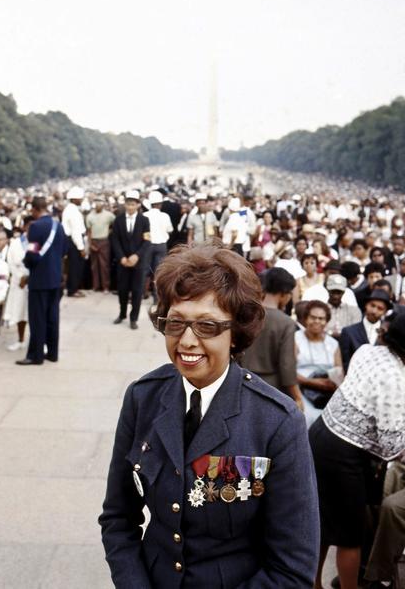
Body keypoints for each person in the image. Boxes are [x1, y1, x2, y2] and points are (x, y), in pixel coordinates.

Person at [99, 243, 320, 588]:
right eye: (176, 323)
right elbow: (117, 518)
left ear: (236, 334)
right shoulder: (144, 398)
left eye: (207, 326)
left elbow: (292, 567)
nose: (187, 340)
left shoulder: (276, 421)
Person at [309, 312, 405, 589]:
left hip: (321, 435)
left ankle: (312, 585)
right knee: (351, 535)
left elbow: (366, 397)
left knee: (322, 526)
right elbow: (389, 446)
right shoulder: (396, 381)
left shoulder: (367, 351)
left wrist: (402, 415)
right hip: (344, 455)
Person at [363, 356, 405, 586]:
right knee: (370, 501)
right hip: (403, 467)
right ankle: (363, 565)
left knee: (393, 507)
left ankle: (379, 578)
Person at [240, 267, 303, 408]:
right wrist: (297, 397)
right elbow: (287, 365)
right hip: (271, 386)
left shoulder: (245, 315)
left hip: (241, 380)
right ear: (284, 294)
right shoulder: (285, 322)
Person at [16, 196, 66, 365]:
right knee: (53, 317)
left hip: (39, 279)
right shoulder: (58, 225)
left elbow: (32, 253)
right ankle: (52, 353)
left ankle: (35, 355)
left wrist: (26, 263)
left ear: (34, 209)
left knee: (37, 318)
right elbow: (64, 250)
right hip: (55, 278)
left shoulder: (36, 227)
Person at [295, 300, 342, 427]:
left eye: (321, 318)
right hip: (300, 391)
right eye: (313, 317)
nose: (317, 321)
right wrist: (310, 382)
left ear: (326, 321)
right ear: (305, 319)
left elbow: (339, 372)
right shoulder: (295, 339)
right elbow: (288, 370)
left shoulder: (333, 344)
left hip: (326, 393)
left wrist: (332, 384)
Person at [111, 190, 151, 329]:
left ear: (138, 205)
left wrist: (136, 256)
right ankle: (122, 314)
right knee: (122, 289)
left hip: (138, 262)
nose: (130, 207)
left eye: (133, 204)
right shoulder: (119, 220)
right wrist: (121, 257)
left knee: (137, 290)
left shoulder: (144, 220)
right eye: (128, 204)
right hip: (122, 262)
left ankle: (134, 318)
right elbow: (115, 240)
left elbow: (146, 241)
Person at [339, 289, 392, 372]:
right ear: (366, 305)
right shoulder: (349, 332)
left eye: (380, 308)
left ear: (385, 312)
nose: (374, 311)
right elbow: (345, 363)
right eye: (372, 305)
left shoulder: (388, 332)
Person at [5, 218, 30, 350]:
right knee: (20, 312)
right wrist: (20, 277)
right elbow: (10, 262)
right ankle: (20, 340)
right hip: (18, 281)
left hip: (32, 281)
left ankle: (39, 342)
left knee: (34, 313)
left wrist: (28, 277)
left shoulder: (36, 242)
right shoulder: (15, 243)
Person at [144, 190, 173, 303]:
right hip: (161, 245)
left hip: (147, 245)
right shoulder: (165, 216)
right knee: (158, 272)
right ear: (160, 204)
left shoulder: (144, 215)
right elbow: (170, 231)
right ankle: (156, 298)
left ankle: (143, 293)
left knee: (145, 270)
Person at [86, 197, 114, 293]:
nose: (98, 206)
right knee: (94, 265)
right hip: (94, 240)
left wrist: (109, 232)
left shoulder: (109, 215)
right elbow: (89, 232)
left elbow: (114, 225)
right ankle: (96, 286)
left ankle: (105, 286)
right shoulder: (90, 216)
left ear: (103, 205)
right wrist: (90, 244)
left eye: (100, 204)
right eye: (96, 204)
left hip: (104, 241)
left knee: (104, 265)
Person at [62, 185, 86, 297]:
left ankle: (74, 287)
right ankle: (72, 289)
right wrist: (81, 247)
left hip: (72, 240)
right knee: (75, 266)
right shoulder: (73, 211)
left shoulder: (71, 209)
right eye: (80, 198)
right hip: (73, 241)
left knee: (74, 266)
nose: (81, 200)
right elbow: (75, 232)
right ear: (75, 199)